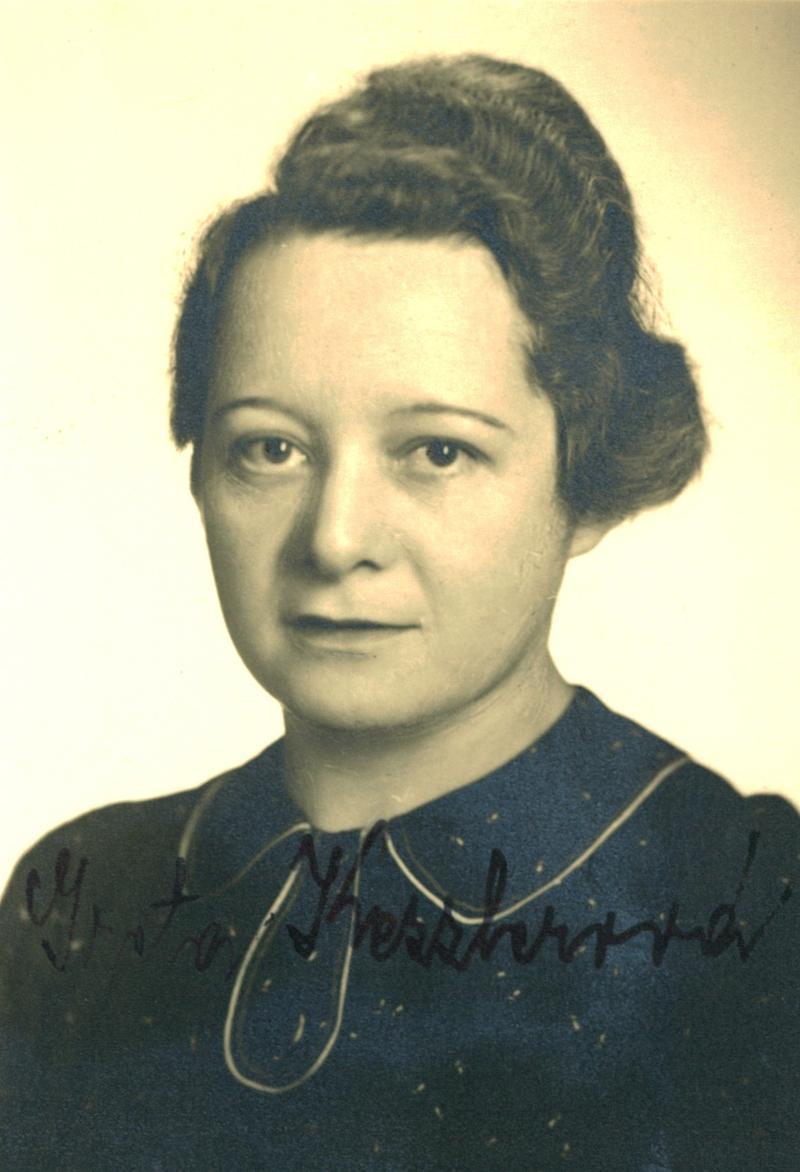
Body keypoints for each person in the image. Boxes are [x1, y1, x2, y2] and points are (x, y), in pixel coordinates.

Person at [1, 54, 797, 1171]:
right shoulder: (84, 896)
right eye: (270, 448)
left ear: (586, 485)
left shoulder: (744, 905)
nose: (335, 540)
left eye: (437, 452)